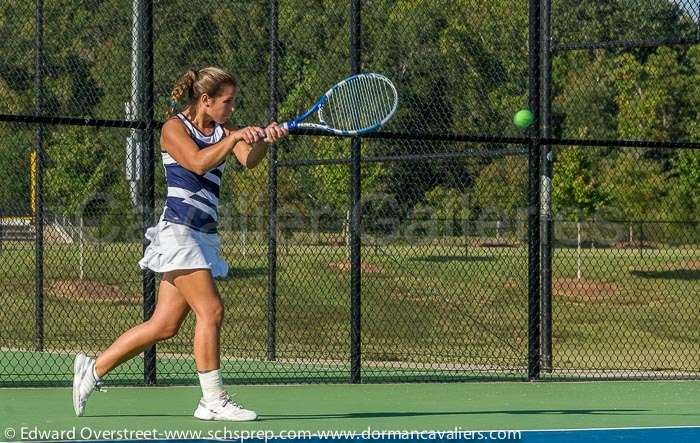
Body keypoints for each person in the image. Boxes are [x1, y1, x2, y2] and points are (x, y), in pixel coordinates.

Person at [72, 67, 287, 421]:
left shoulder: (224, 131)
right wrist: (234, 139)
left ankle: (91, 370)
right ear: (206, 100)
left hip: (203, 234)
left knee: (163, 325)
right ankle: (212, 400)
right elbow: (198, 163)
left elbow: (248, 160)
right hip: (179, 231)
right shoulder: (174, 128)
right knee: (212, 310)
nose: (232, 109)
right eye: (227, 102)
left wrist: (264, 139)